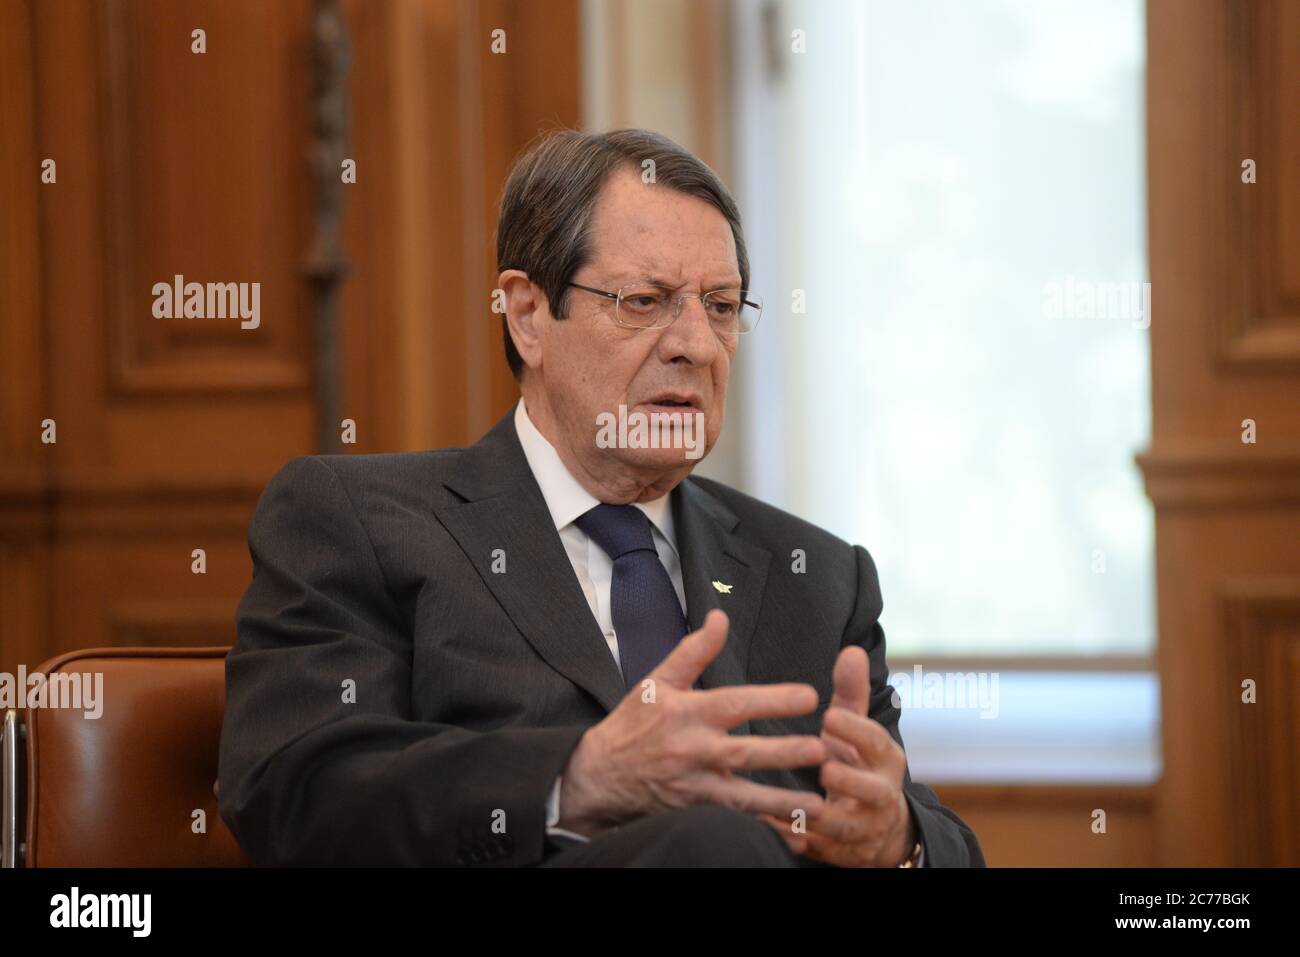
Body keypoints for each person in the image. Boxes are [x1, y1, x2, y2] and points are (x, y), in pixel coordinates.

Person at [217, 128, 985, 868]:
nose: (696, 344)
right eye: (645, 300)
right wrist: (576, 777)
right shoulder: (362, 521)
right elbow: (291, 786)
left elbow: (930, 827)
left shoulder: (815, 575)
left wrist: (898, 842)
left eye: (721, 306)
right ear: (527, 317)